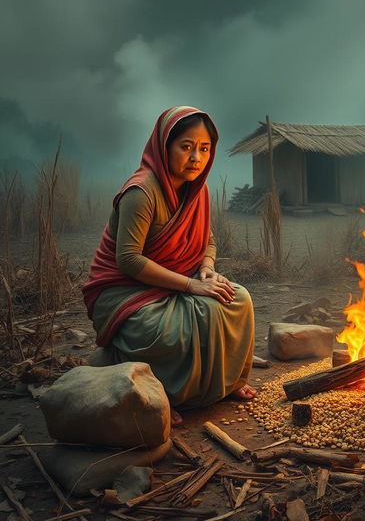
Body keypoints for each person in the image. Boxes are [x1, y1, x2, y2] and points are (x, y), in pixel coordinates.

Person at [83, 106, 256, 425]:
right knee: (165, 331)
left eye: (204, 149)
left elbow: (208, 238)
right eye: (186, 147)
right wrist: (192, 285)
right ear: (164, 146)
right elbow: (129, 259)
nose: (196, 158)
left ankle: (226, 384)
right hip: (127, 290)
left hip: (180, 279)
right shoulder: (141, 192)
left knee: (237, 300)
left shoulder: (197, 189)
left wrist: (206, 265)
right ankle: (160, 396)